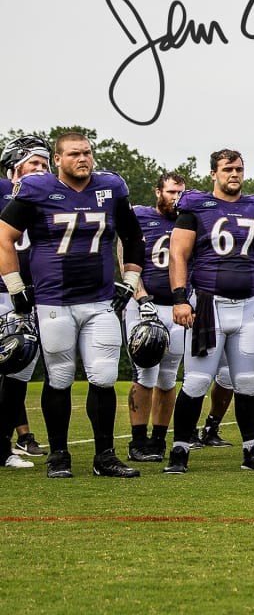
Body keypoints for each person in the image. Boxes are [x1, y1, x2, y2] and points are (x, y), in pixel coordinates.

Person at [0, 130, 147, 478]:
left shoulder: (111, 188)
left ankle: (105, 456)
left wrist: (130, 280)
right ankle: (59, 455)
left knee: (104, 376)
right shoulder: (37, 189)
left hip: (99, 301)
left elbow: (133, 237)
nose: (82, 159)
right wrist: (16, 287)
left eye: (87, 153)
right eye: (74, 154)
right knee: (60, 377)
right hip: (55, 300)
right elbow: (5, 237)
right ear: (57, 159)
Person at [163, 149, 254, 474]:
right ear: (214, 174)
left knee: (247, 382)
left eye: (239, 169)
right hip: (209, 305)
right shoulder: (195, 206)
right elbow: (178, 255)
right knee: (196, 381)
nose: (234, 174)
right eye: (227, 169)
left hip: (250, 306)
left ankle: (252, 452)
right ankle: (179, 452)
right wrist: (180, 298)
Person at [121, 172, 187, 463]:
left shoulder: (187, 221)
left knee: (169, 376)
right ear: (157, 191)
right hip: (144, 303)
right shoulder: (138, 216)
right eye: (171, 192)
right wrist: (141, 295)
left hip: (175, 306)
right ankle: (138, 440)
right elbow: (126, 260)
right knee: (144, 372)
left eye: (180, 193)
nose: (176, 198)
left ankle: (159, 439)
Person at [0, 135, 51, 468]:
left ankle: (3, 446)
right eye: (34, 162)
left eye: (45, 164)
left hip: (34, 296)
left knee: (19, 373)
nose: (41, 169)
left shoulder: (50, 197)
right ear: (13, 166)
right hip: (2, 292)